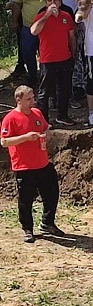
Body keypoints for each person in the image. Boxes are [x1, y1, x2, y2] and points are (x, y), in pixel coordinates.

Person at [0, 85, 63, 243]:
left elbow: (46, 127)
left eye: (33, 98)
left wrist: (46, 135)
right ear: (18, 100)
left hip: (42, 163)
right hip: (24, 166)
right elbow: (5, 141)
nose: (32, 101)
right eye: (28, 99)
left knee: (52, 193)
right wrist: (26, 137)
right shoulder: (10, 118)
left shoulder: (37, 113)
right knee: (26, 200)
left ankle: (47, 223)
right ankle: (27, 228)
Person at [31, 0, 76, 126]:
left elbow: (72, 37)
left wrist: (73, 54)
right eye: (49, 0)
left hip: (64, 58)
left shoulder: (66, 16)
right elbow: (33, 31)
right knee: (44, 91)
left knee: (65, 89)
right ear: (45, 3)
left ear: (60, 2)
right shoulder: (41, 17)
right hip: (47, 60)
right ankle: (43, 119)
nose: (52, 2)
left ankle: (62, 116)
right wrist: (46, 16)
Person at [11, 0, 46, 86]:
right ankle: (32, 75)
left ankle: (45, 77)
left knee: (45, 53)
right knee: (27, 52)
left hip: (47, 28)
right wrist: (15, 21)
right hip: (28, 26)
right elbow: (17, 4)